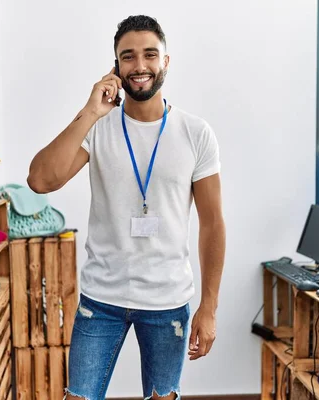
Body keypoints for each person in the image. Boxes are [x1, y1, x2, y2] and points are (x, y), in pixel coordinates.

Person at [27, 15, 226, 400]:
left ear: (165, 61)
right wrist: (91, 111)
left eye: (150, 54)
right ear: (116, 67)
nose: (139, 66)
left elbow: (213, 224)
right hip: (102, 299)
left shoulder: (195, 133)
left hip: (168, 300)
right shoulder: (98, 128)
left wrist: (210, 308)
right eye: (128, 57)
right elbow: (40, 180)